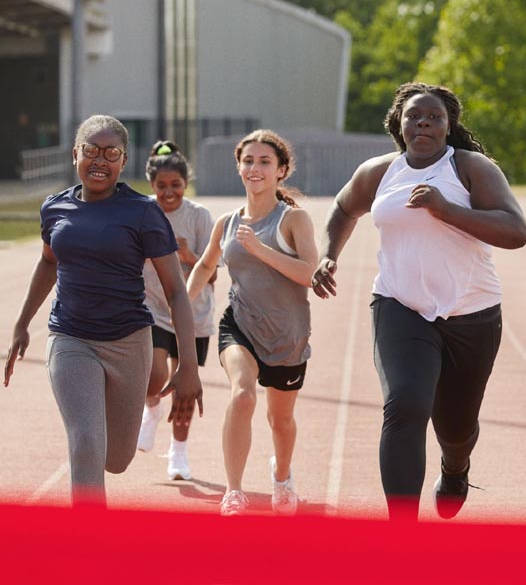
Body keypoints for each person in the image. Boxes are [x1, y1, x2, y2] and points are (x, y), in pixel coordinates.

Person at [311, 82, 526, 520]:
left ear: (449, 127)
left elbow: (515, 231)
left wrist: (448, 209)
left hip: (472, 312)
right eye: (414, 116)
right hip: (399, 305)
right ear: (400, 124)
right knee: (406, 403)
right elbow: (343, 208)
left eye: (435, 117)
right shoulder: (380, 172)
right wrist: (328, 256)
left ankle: (455, 467)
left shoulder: (471, 169)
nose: (424, 122)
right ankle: (403, 533)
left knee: (456, 426)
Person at [4, 115, 203, 507]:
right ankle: (89, 545)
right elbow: (48, 263)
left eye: (110, 152)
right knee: (86, 442)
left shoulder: (143, 212)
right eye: (90, 150)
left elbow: (176, 292)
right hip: (71, 338)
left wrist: (190, 367)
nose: (99, 159)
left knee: (117, 458)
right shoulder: (55, 208)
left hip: (129, 342)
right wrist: (22, 323)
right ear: (75, 154)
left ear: (123, 160)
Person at [187, 129, 317, 516]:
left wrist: (260, 250)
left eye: (264, 162)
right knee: (242, 394)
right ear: (239, 168)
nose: (254, 168)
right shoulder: (226, 222)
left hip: (287, 336)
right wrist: (177, 307)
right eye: (248, 161)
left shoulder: (294, 220)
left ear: (282, 171)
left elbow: (309, 273)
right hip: (238, 325)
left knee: (281, 421)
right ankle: (234, 491)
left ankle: (281, 477)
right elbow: (205, 265)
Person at [136, 141, 216, 481]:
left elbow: (212, 273)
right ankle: (151, 409)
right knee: (152, 376)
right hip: (153, 308)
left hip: (193, 315)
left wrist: (186, 256)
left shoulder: (199, 217)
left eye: (176, 185)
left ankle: (179, 453)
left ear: (186, 183)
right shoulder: (143, 213)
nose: (169, 193)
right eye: (161, 186)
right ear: (152, 185)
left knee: (185, 387)